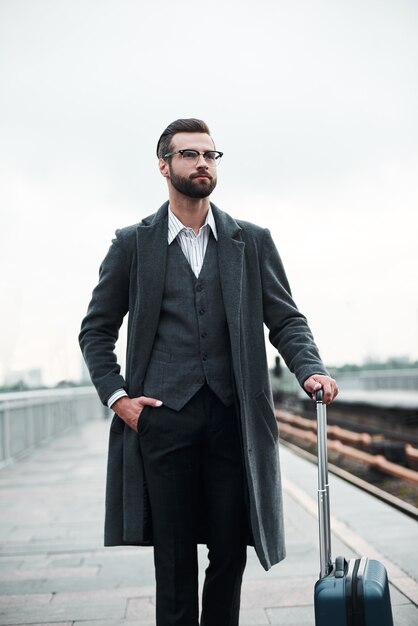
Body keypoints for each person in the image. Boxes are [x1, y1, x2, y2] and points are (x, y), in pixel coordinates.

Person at [79, 118, 338, 626]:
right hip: (163, 419)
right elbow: (96, 330)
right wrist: (119, 400)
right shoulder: (134, 243)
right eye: (190, 154)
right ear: (164, 165)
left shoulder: (250, 241)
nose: (203, 163)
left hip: (232, 419)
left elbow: (286, 319)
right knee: (173, 559)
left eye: (211, 155)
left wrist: (310, 370)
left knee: (230, 553)